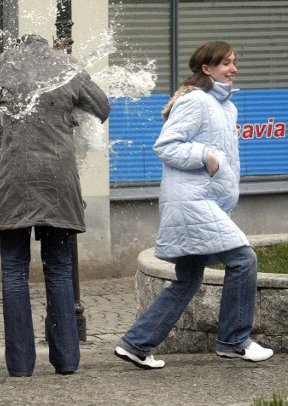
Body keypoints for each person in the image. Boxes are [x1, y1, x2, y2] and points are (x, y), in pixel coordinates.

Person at [114, 41, 274, 370]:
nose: (234, 69)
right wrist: (205, 156)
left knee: (188, 279)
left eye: (234, 62)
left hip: (204, 201)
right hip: (192, 202)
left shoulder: (226, 107)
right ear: (207, 68)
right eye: (227, 63)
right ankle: (235, 340)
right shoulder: (196, 100)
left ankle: (136, 344)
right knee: (244, 259)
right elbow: (167, 145)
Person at [0, 34, 110, 377]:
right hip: (58, 179)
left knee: (14, 271)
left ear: (17, 46)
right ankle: (66, 360)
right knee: (59, 269)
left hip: (16, 176)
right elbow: (102, 108)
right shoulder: (66, 67)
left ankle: (20, 365)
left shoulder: (7, 65)